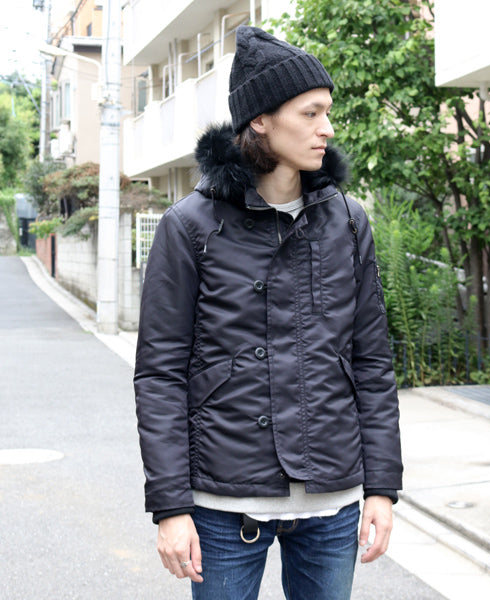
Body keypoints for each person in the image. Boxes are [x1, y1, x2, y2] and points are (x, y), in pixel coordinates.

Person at [134, 25, 403, 600]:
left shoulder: (347, 221)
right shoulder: (190, 226)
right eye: (310, 113)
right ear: (260, 120)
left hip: (332, 502)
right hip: (223, 504)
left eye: (327, 112)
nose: (327, 128)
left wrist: (382, 487)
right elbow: (160, 374)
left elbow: (372, 363)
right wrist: (170, 507)